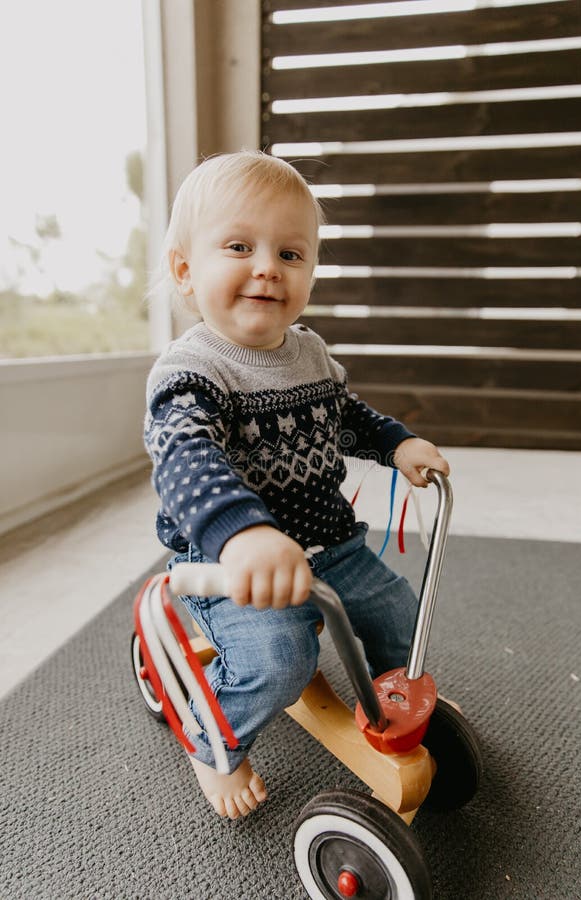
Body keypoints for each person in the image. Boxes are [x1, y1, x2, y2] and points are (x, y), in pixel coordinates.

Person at [144, 150, 450, 820]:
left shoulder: (308, 351)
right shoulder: (191, 371)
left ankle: (396, 698)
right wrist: (243, 534)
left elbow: (345, 416)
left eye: (290, 253)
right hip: (231, 563)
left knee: (399, 609)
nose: (267, 267)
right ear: (185, 270)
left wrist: (395, 442)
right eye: (238, 246)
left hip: (328, 544)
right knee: (281, 660)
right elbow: (186, 458)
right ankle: (213, 740)